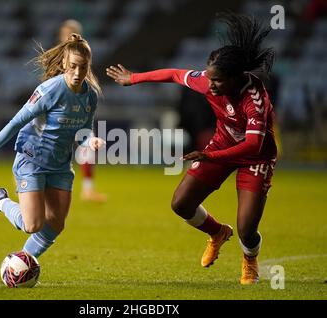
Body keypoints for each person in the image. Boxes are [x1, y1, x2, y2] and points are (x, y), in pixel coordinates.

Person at [106, 12, 277, 285]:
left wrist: (209, 155)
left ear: (235, 78)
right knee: (181, 203)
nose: (209, 85)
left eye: (217, 81)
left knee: (247, 228)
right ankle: (218, 232)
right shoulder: (209, 81)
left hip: (255, 157)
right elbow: (175, 74)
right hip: (223, 144)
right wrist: (134, 78)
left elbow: (253, 144)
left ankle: (249, 259)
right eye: (209, 78)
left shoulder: (254, 99)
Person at [0, 33, 105, 259]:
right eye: (73, 66)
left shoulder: (90, 96)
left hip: (60, 166)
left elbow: (84, 131)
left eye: (83, 67)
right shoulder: (50, 90)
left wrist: (91, 140)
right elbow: (16, 121)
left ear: (89, 65)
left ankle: (21, 265)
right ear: (63, 64)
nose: (78, 73)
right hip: (32, 160)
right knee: (32, 225)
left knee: (56, 225)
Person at [59, 19, 108, 202]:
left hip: (77, 111)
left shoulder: (81, 58)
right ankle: (26, 181)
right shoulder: (60, 58)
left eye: (72, 32)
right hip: (58, 112)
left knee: (87, 147)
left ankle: (87, 190)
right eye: (67, 32)